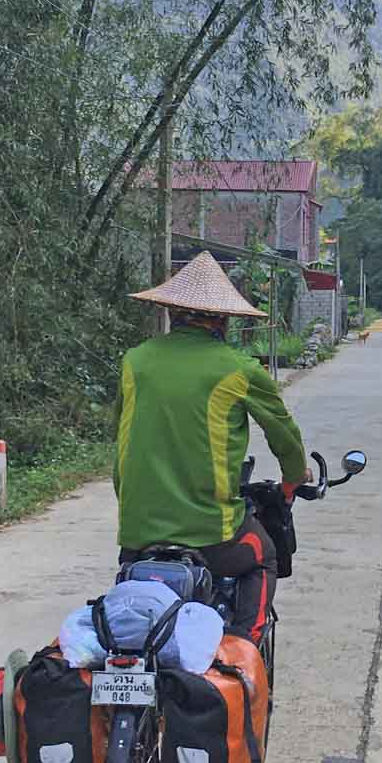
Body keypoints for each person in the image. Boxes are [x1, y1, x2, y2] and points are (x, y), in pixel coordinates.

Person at [113, 253, 312, 642]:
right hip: (212, 534)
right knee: (263, 555)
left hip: (137, 534)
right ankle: (245, 649)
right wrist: (292, 480)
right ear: (221, 320)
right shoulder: (239, 369)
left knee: (128, 613)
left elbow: (120, 441)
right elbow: (283, 435)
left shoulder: (134, 362)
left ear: (172, 313)